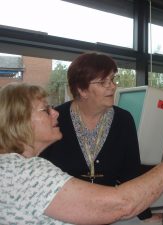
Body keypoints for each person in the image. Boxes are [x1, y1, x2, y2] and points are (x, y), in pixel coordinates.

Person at [0, 82, 163, 225]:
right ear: (20, 121)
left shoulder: (10, 168)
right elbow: (122, 204)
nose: (56, 113)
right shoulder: (24, 172)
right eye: (46, 110)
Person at [39, 52, 156, 221]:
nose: (113, 86)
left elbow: (130, 175)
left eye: (112, 79)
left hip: (108, 213)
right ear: (82, 89)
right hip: (63, 215)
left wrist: (146, 218)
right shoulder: (56, 119)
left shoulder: (123, 120)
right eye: (103, 82)